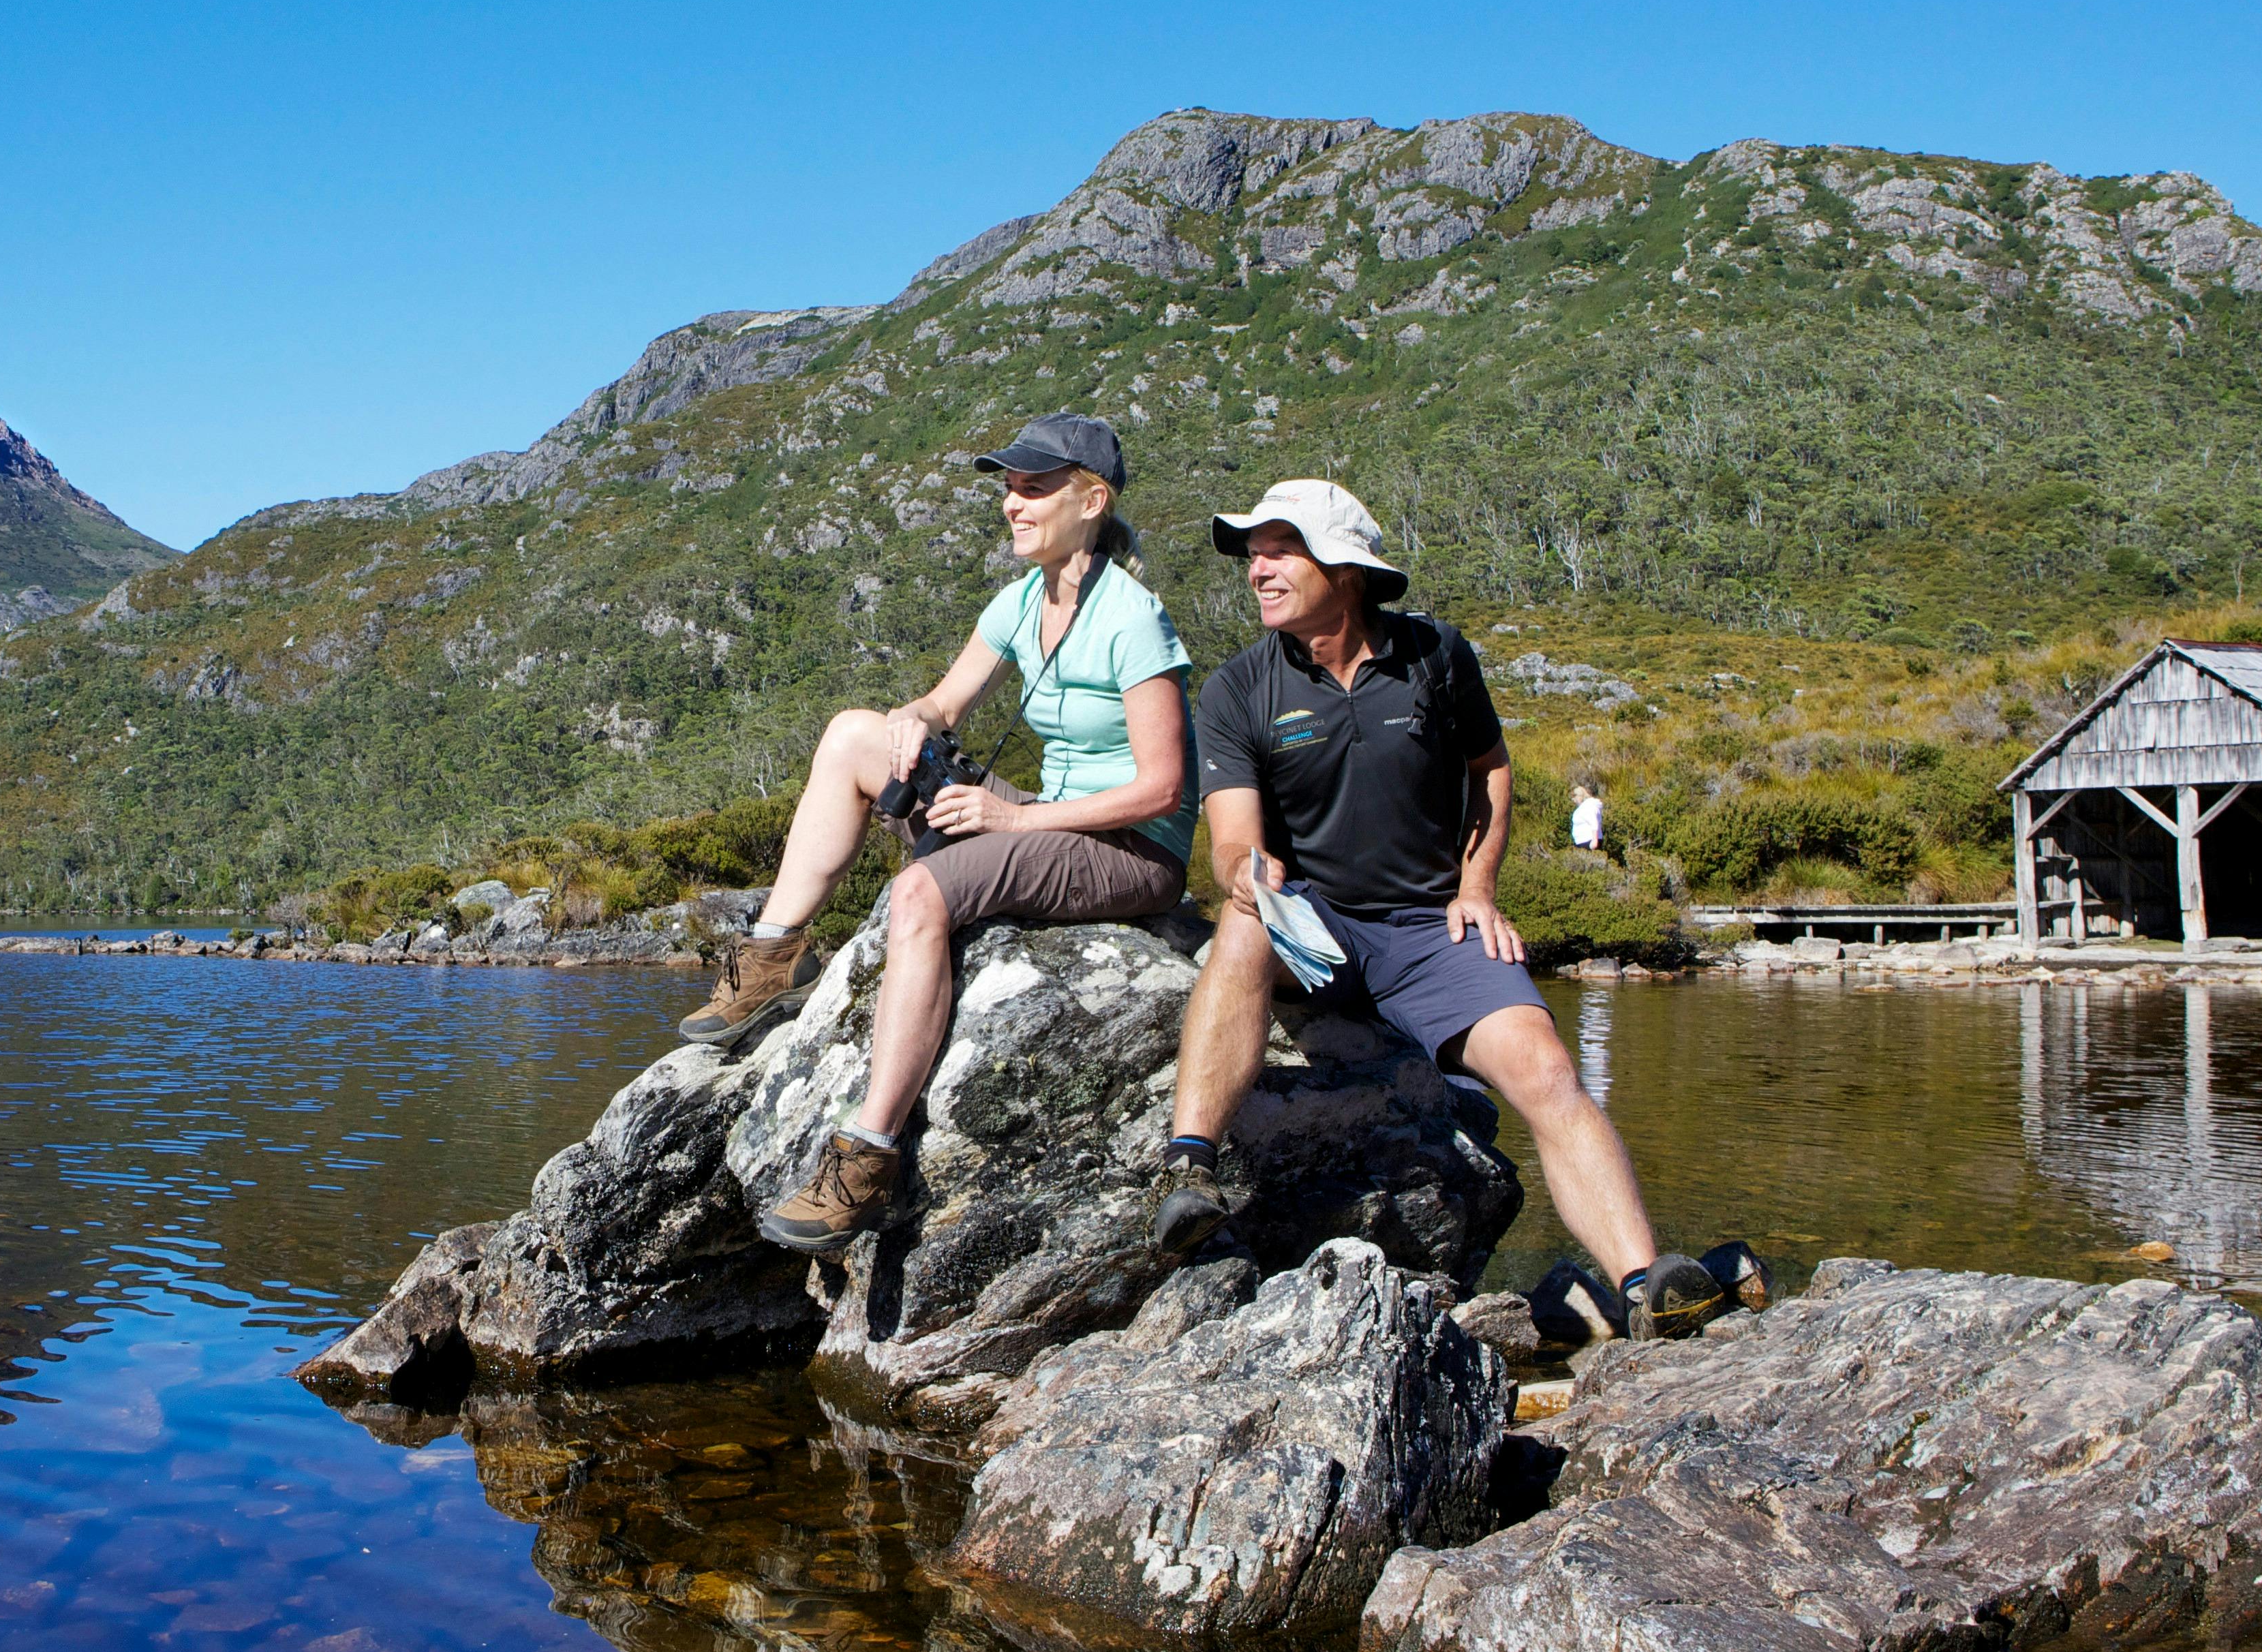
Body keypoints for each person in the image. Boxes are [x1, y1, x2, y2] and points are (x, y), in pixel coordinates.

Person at [1149, 477, 1731, 1336]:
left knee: (1544, 1068)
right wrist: (1246, 871)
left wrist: (1477, 888)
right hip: (1315, 926)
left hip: (1430, 931)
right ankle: (1190, 1168)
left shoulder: (1436, 657)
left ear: (1343, 569)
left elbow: (1489, 769)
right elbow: (1233, 838)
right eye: (1252, 552)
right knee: (1244, 915)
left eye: (1279, 548)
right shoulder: (1239, 688)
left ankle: (1646, 1283)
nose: (1256, 568)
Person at [669, 412, 1195, 1257]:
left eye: (1033, 489)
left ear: (1092, 499)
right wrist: (909, 723)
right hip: (1050, 821)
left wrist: (1011, 819)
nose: (1012, 506)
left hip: (1131, 850)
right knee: (853, 735)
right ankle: (771, 959)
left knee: (920, 893)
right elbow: (943, 704)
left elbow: (1163, 788)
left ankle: (867, 1156)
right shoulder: (1025, 599)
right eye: (1009, 490)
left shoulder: (1132, 621)